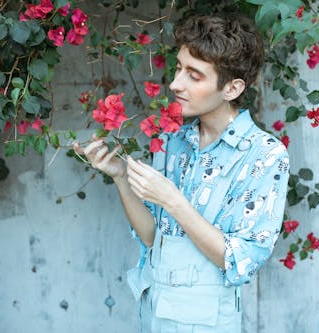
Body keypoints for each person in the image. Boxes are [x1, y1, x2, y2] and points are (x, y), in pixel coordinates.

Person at [74, 14, 290, 333]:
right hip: (153, 315)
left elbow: (240, 262)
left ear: (232, 87)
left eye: (194, 75)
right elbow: (153, 237)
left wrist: (175, 202)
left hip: (206, 323)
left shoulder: (264, 154)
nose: (175, 84)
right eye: (178, 68)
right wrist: (120, 175)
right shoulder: (174, 141)